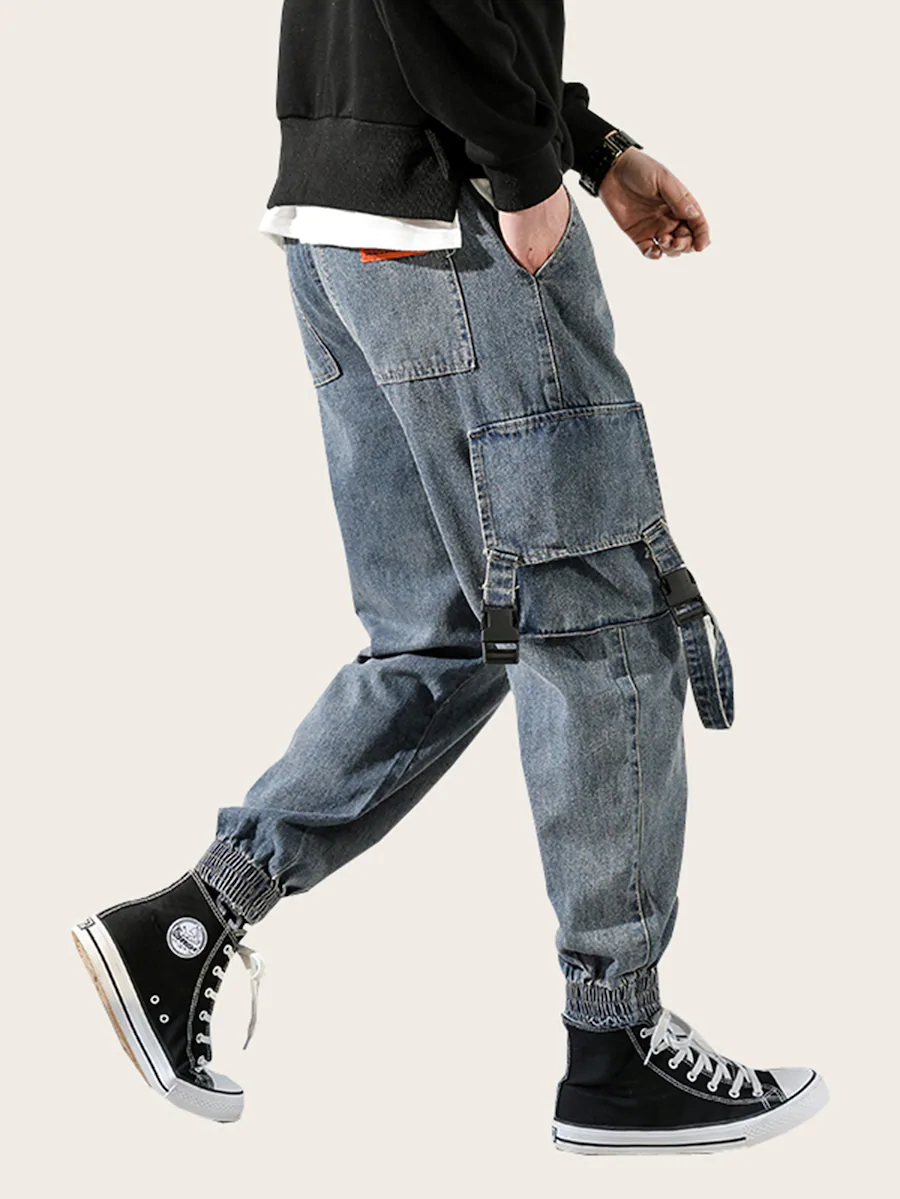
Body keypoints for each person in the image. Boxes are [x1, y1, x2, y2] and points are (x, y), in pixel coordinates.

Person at [72, 0, 827, 1151]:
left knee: (448, 631)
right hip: (451, 216)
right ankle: (616, 1045)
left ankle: (189, 920)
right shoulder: (490, 182)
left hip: (344, 216)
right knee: (600, 624)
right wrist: (524, 167)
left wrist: (591, 146)